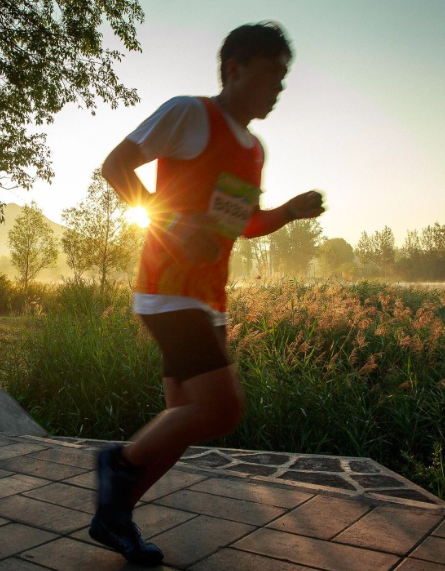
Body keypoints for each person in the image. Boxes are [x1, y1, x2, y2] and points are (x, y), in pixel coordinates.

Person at [90, 22, 325, 565]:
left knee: (179, 425)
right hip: (167, 291)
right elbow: (116, 166)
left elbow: (239, 223)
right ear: (234, 69)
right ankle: (117, 464)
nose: (280, 88)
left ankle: (113, 516)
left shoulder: (253, 151)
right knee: (221, 410)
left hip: (207, 299)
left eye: (284, 78)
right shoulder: (190, 112)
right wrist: (170, 229)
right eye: (273, 74)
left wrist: (288, 212)